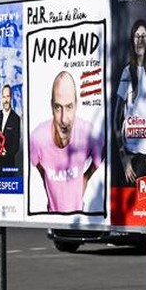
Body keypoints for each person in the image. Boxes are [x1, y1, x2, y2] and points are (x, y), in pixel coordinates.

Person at [31, 70, 101, 213]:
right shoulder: (38, 138)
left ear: (76, 105)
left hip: (79, 218)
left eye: (69, 107)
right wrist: (46, 180)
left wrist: (86, 177)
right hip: (52, 219)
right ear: (51, 107)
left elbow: (104, 150)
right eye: (58, 107)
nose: (64, 119)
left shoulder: (88, 132)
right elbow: (35, 162)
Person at [115, 19, 146, 184]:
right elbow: (117, 118)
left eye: (143, 36)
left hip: (145, 155)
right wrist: (124, 159)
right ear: (132, 40)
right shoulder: (127, 73)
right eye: (137, 36)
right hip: (130, 155)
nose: (140, 40)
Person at [0, 84, 22, 173]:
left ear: (11, 98)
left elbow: (16, 145)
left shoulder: (16, 118)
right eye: (4, 97)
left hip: (8, 165)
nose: (6, 100)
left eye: (8, 96)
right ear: (1, 98)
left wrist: (7, 154)